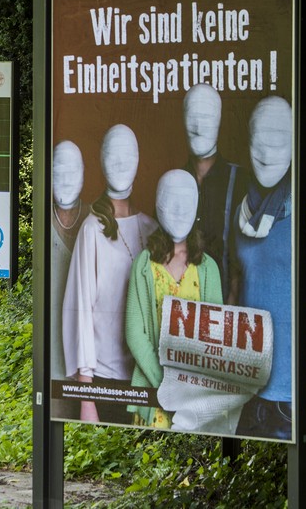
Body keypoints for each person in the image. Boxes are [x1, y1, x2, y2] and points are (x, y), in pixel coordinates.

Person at [63, 124, 157, 424]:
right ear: (101, 163)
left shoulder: (152, 229)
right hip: (106, 379)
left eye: (127, 154)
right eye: (112, 155)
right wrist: (86, 397)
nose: (120, 163)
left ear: (139, 159)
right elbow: (81, 312)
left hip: (145, 377)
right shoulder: (93, 229)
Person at [125, 170, 223, 427]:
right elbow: (135, 333)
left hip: (195, 399)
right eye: (172, 201)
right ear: (158, 205)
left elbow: (217, 337)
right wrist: (165, 385)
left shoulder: (208, 268)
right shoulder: (143, 265)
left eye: (187, 201)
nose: (180, 210)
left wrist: (190, 389)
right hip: (153, 393)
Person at [233, 96, 293, 440]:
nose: (268, 153)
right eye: (261, 141)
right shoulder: (239, 206)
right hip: (248, 390)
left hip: (290, 397)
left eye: (279, 142)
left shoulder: (300, 209)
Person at [182, 84, 248, 303]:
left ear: (219, 120)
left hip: (225, 310)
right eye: (193, 116)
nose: (200, 126)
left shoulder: (240, 181)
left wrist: (231, 303)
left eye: (207, 117)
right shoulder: (175, 182)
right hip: (181, 311)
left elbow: (246, 256)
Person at [50, 141, 87, 419]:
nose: (65, 179)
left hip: (92, 365)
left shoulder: (98, 221)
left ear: (84, 174)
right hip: (53, 364)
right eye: (57, 170)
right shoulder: (43, 221)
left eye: (72, 171)